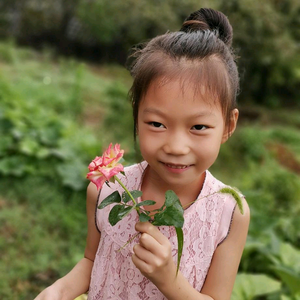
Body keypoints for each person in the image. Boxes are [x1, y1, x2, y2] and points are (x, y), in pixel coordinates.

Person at [35, 7, 250, 300]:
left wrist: (169, 281)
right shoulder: (107, 191)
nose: (175, 146)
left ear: (228, 125)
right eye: (157, 124)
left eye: (198, 126)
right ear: (137, 118)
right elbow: (90, 261)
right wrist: (58, 290)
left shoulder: (229, 213)